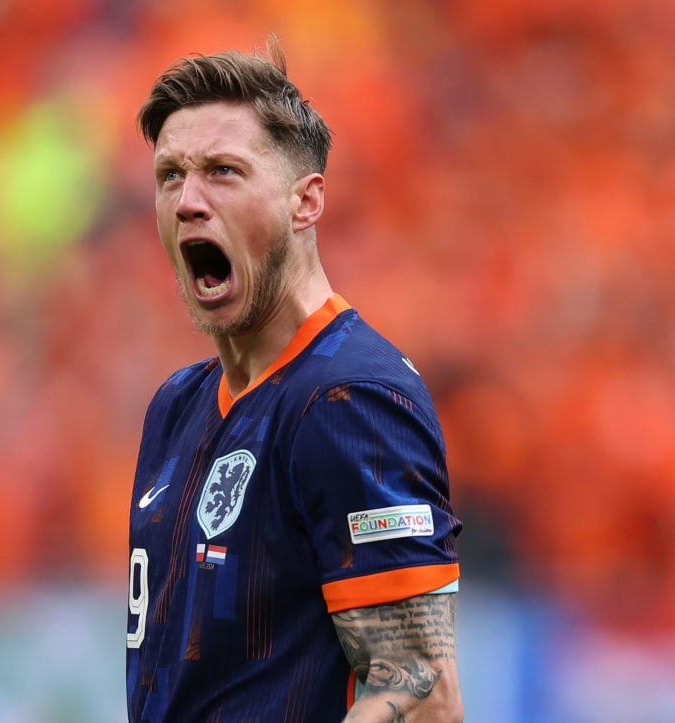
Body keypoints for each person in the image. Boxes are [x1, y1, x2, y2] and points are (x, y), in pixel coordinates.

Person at [126, 35, 464, 723]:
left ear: (305, 202)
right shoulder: (176, 405)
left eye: (223, 171)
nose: (189, 199)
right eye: (170, 175)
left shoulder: (351, 397)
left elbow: (422, 690)